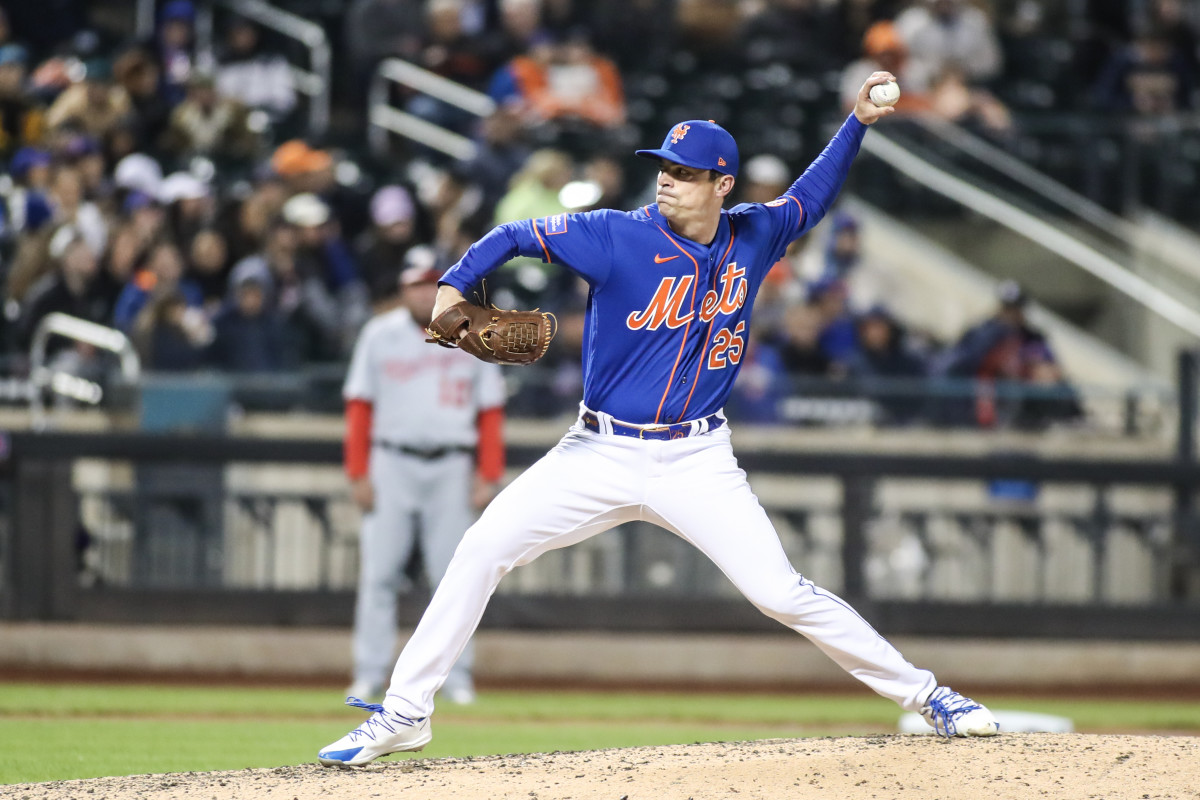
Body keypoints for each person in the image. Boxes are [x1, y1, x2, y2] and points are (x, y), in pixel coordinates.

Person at [318, 71, 998, 768]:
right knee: (480, 549)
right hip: (598, 452)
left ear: (722, 185)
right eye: (664, 169)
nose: (667, 181)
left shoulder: (754, 235)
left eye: (686, 173)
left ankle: (930, 697)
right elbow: (514, 233)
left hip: (698, 461)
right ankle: (404, 712)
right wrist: (453, 285)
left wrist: (856, 123)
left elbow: (810, 198)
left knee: (781, 592)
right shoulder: (614, 236)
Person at [341, 263, 506, 706]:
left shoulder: (473, 330)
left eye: (428, 284)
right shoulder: (380, 333)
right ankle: (369, 672)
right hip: (391, 461)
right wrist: (357, 472)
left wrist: (488, 473)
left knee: (455, 577)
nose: (419, 293)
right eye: (412, 284)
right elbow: (359, 405)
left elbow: (490, 410)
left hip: (452, 465)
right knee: (379, 574)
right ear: (401, 289)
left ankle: (456, 676)